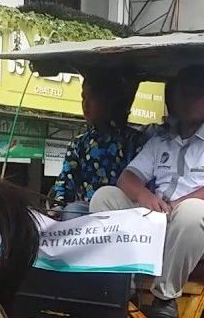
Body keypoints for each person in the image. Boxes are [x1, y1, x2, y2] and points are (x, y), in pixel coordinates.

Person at [89, 64, 204, 318]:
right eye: (184, 94)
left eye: (197, 95)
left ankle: (165, 297)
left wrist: (173, 207)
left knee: (191, 211)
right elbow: (128, 178)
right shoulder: (161, 138)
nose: (189, 101)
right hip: (161, 219)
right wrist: (145, 198)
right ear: (174, 97)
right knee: (104, 197)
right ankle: (120, 285)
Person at [50, 72, 145, 218]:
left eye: (92, 98)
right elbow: (65, 183)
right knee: (71, 211)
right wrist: (57, 206)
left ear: (110, 101)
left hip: (123, 211)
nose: (85, 104)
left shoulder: (134, 141)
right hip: (85, 213)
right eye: (83, 97)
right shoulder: (79, 144)